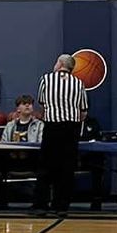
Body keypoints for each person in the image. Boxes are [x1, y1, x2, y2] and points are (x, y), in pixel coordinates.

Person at [36, 54, 89, 215]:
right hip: (71, 128)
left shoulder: (46, 79)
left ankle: (41, 205)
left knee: (46, 166)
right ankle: (61, 206)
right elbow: (83, 110)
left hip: (52, 126)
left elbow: (42, 103)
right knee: (67, 168)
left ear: (59, 64)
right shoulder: (79, 83)